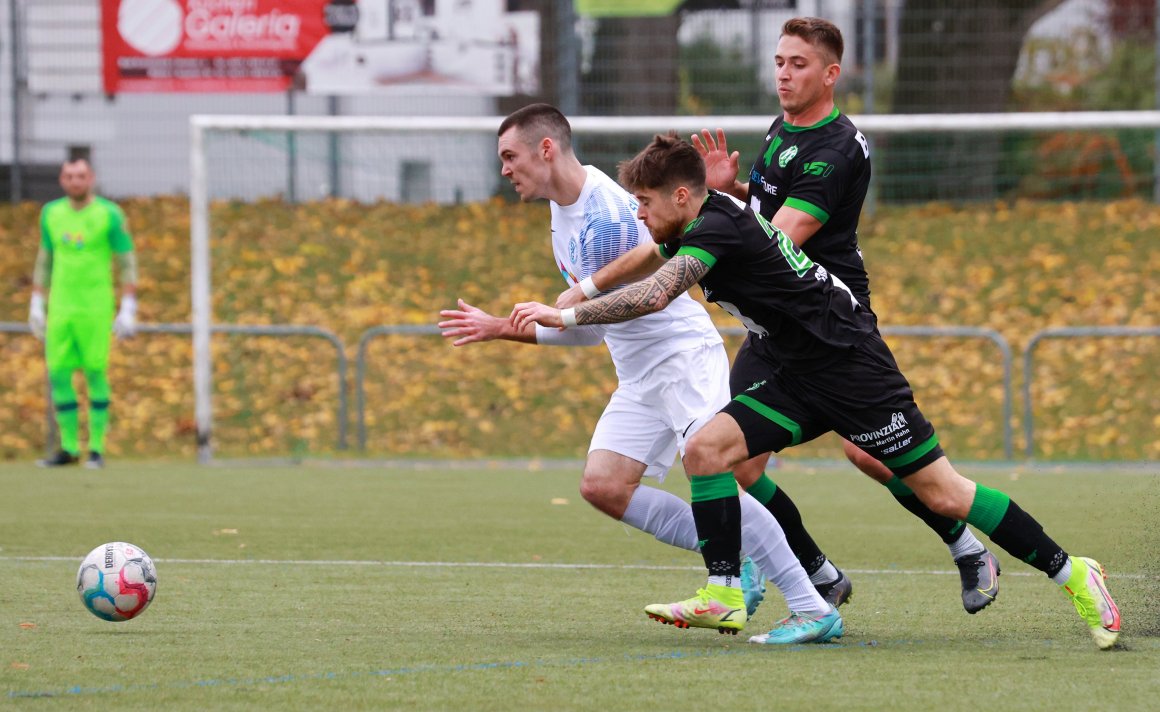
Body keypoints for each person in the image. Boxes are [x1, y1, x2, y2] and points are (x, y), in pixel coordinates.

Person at [511, 132, 1121, 650]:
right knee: (708, 451)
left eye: (643, 202)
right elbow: (648, 261)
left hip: (852, 368)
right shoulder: (693, 218)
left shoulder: (714, 224)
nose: (636, 213)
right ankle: (726, 589)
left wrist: (561, 314)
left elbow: (653, 293)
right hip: (794, 372)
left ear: (679, 197)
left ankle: (1072, 572)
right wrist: (585, 288)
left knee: (944, 493)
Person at [557, 16, 999, 616]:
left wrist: (713, 213)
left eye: (797, 64)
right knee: (729, 458)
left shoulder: (838, 147)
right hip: (772, 327)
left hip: (826, 317)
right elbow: (751, 222)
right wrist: (732, 192)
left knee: (869, 455)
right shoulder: (781, 130)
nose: (784, 75)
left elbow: (774, 239)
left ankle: (967, 545)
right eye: (779, 62)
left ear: (830, 74)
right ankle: (819, 575)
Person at [438, 103, 842, 644]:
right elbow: (590, 329)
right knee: (603, 485)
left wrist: (571, 301)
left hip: (681, 358)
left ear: (546, 149)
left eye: (510, 156)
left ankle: (811, 603)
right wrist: (501, 327)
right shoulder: (564, 214)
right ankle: (736, 556)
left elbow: (651, 283)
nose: (505, 169)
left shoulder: (608, 208)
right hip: (638, 373)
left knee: (714, 474)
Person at [28, 157, 138, 469]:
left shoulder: (109, 214)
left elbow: (126, 259)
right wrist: (36, 301)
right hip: (61, 305)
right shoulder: (51, 213)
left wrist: (128, 305)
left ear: (91, 178)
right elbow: (45, 258)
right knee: (59, 373)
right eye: (69, 176)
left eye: (80, 176)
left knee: (94, 371)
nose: (75, 181)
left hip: (95, 305)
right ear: (62, 180)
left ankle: (97, 449)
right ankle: (68, 448)